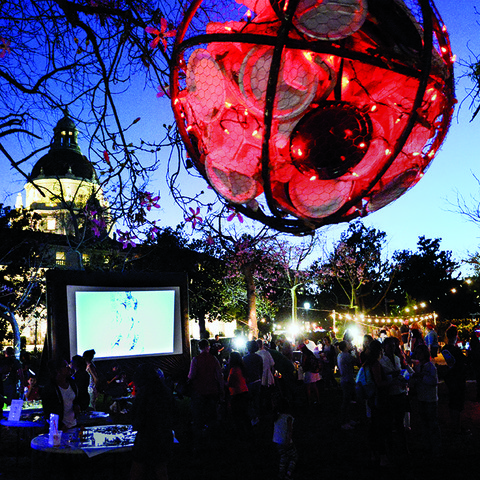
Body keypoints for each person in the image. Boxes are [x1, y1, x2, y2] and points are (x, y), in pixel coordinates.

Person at [130, 363, 174, 480]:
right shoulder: (165, 391)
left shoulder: (143, 394)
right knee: (161, 470)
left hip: (146, 438)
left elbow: (136, 416)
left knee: (137, 470)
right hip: (163, 436)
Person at [188, 339, 224, 446]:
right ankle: (213, 440)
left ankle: (200, 442)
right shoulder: (213, 359)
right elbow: (219, 376)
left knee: (199, 417)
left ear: (199, 348)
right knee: (212, 416)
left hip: (199, 392)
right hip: (212, 391)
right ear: (208, 347)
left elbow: (191, 375)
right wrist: (221, 391)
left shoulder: (196, 360)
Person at [410, 344, 440, 452]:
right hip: (422, 398)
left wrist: (421, 376)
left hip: (430, 399)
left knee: (432, 423)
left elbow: (434, 381)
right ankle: (427, 444)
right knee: (424, 422)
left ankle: (435, 446)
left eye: (419, 353)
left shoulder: (430, 367)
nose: (417, 355)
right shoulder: (418, 367)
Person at [441, 324, 467, 433]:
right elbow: (462, 363)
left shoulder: (445, 349)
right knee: (457, 403)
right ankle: (456, 426)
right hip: (458, 378)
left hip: (450, 378)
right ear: (456, 336)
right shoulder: (456, 350)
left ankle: (454, 425)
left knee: (453, 402)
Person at [42, 357, 80, 431]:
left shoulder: (72, 384)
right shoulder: (50, 389)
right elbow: (48, 411)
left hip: (73, 425)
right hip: (59, 429)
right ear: (58, 370)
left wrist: (77, 406)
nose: (69, 368)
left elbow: (76, 400)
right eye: (66, 366)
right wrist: (60, 425)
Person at [226, 351, 251, 438]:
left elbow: (230, 383)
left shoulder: (233, 370)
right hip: (244, 392)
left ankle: (240, 434)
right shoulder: (242, 368)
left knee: (237, 415)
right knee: (244, 414)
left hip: (237, 394)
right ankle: (248, 432)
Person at [273, 399, 298, 480]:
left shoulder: (276, 416)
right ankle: (288, 474)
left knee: (283, 457)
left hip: (277, 441)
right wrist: (288, 441)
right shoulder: (288, 418)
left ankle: (281, 474)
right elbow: (289, 431)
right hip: (285, 441)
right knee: (294, 457)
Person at [337, 340, 358, 430]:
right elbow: (356, 361)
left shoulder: (340, 355)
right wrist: (356, 351)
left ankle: (348, 420)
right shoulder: (347, 356)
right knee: (346, 401)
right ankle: (344, 422)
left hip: (344, 379)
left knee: (347, 400)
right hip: (347, 379)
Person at [243, 340, 263, 425]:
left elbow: (243, 371)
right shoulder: (259, 358)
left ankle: (252, 418)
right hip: (257, 380)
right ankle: (257, 417)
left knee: (249, 401)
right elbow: (261, 370)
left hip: (249, 382)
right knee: (256, 400)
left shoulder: (245, 358)